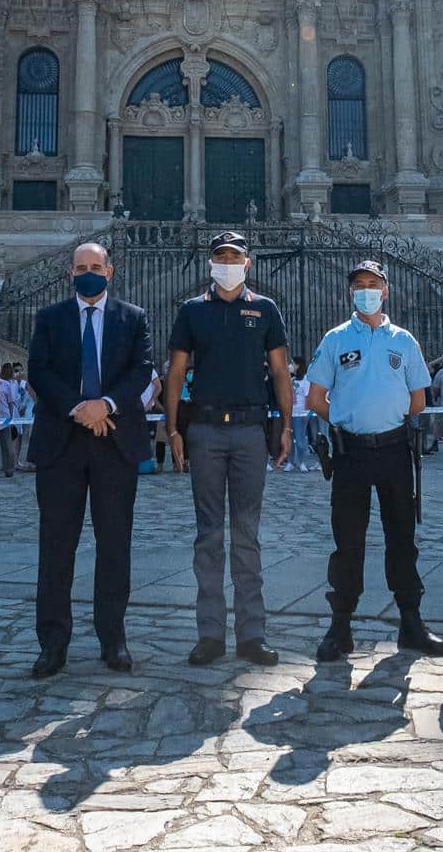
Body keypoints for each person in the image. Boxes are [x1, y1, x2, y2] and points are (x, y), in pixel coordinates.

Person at [163, 229, 294, 666]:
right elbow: (176, 373)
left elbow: (279, 373)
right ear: (210, 263)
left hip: (249, 430)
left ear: (247, 263)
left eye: (234, 255)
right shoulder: (192, 311)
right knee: (208, 535)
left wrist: (286, 426)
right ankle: (210, 634)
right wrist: (173, 428)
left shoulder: (265, 308)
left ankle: (252, 634)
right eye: (220, 255)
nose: (227, 262)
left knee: (247, 534)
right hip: (203, 430)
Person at [25, 242, 156, 676]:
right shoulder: (49, 319)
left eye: (95, 267)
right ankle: (52, 642)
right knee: (55, 547)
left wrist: (106, 405)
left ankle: (112, 637)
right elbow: (39, 372)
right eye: (81, 267)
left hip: (113, 439)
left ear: (109, 271)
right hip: (62, 440)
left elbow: (141, 370)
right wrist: (81, 408)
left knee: (114, 544)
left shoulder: (132, 318)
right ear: (70, 274)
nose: (88, 272)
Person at [305, 260, 443, 661]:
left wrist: (382, 421)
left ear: (385, 290)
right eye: (359, 284)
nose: (366, 289)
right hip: (350, 453)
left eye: (373, 283)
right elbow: (316, 399)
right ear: (350, 292)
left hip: (394, 451)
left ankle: (411, 622)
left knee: (402, 536)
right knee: (347, 540)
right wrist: (350, 417)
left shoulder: (403, 340)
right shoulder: (334, 340)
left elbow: (418, 400)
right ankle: (340, 627)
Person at [285, 355, 316, 472]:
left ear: (298, 365)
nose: (291, 365)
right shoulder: (290, 378)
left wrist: (307, 414)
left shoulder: (305, 380)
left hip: (301, 413)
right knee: (289, 438)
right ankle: (290, 461)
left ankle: (301, 461)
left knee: (300, 439)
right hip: (290, 413)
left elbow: (308, 396)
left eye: (292, 363)